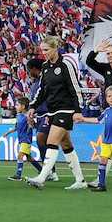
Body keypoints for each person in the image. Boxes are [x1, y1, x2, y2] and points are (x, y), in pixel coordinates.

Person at [25, 37, 84, 190]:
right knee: (66, 145)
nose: (43, 53)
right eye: (42, 50)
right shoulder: (45, 67)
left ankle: (41, 177)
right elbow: (42, 90)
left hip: (66, 110)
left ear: (55, 48)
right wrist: (33, 106)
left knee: (51, 142)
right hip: (53, 111)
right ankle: (80, 181)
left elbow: (75, 88)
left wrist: (78, 110)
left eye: (46, 50)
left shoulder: (66, 65)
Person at [7, 106, 39, 181]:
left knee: (20, 156)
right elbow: (16, 127)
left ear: (23, 107)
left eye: (18, 105)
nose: (16, 107)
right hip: (21, 140)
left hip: (26, 139)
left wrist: (32, 122)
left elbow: (34, 126)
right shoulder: (18, 116)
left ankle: (18, 175)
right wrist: (7, 133)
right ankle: (42, 170)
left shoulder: (27, 116)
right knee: (29, 158)